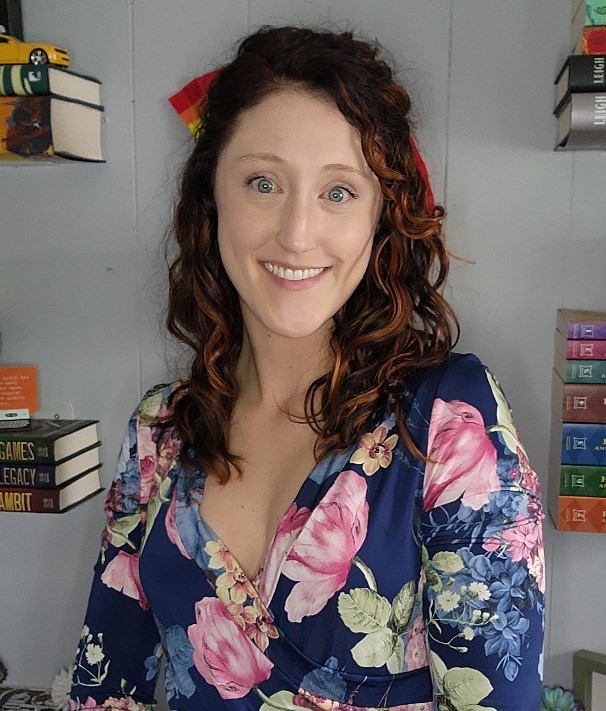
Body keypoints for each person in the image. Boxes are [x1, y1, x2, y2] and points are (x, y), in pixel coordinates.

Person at [69, 25, 545, 711]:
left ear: (380, 216)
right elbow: (104, 689)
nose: (296, 234)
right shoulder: (159, 430)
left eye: (339, 192)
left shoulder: (449, 420)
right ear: (212, 195)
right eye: (263, 183)